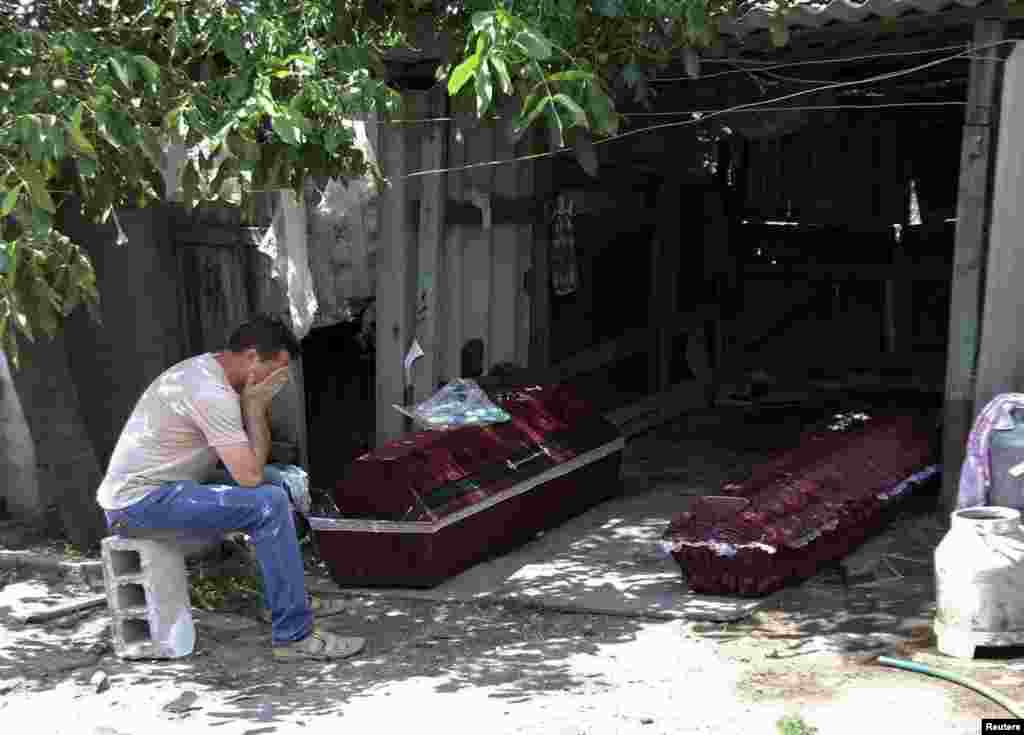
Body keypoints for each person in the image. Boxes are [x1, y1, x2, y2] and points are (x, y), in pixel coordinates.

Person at [97, 315, 365, 661]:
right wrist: (255, 407)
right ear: (252, 357)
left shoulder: (205, 371)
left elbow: (251, 467)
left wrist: (254, 407)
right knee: (267, 502)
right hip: (138, 505)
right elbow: (249, 477)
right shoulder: (211, 393)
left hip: (169, 489)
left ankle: (282, 602)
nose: (280, 380)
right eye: (278, 368)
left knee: (280, 481)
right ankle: (293, 637)